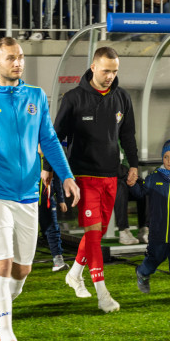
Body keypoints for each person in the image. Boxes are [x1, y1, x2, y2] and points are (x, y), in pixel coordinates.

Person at [0, 37, 79, 341]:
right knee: (0, 264)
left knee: (22, 270)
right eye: (11, 58)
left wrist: (66, 175)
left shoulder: (36, 96)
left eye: (21, 57)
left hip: (29, 196)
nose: (18, 63)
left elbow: (49, 139)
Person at [54, 46, 138, 310]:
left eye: (114, 71)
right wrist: (51, 169)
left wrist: (133, 165)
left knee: (98, 232)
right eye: (106, 71)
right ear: (93, 67)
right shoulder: (73, 98)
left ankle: (74, 273)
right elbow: (55, 138)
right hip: (83, 176)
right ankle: (103, 294)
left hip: (111, 175)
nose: (110, 76)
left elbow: (128, 136)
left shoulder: (122, 97)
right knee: (92, 234)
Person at [129, 139, 170, 304]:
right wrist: (132, 184)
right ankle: (143, 273)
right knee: (154, 258)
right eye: (166, 157)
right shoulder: (153, 178)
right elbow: (139, 193)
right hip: (158, 232)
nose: (169, 161)